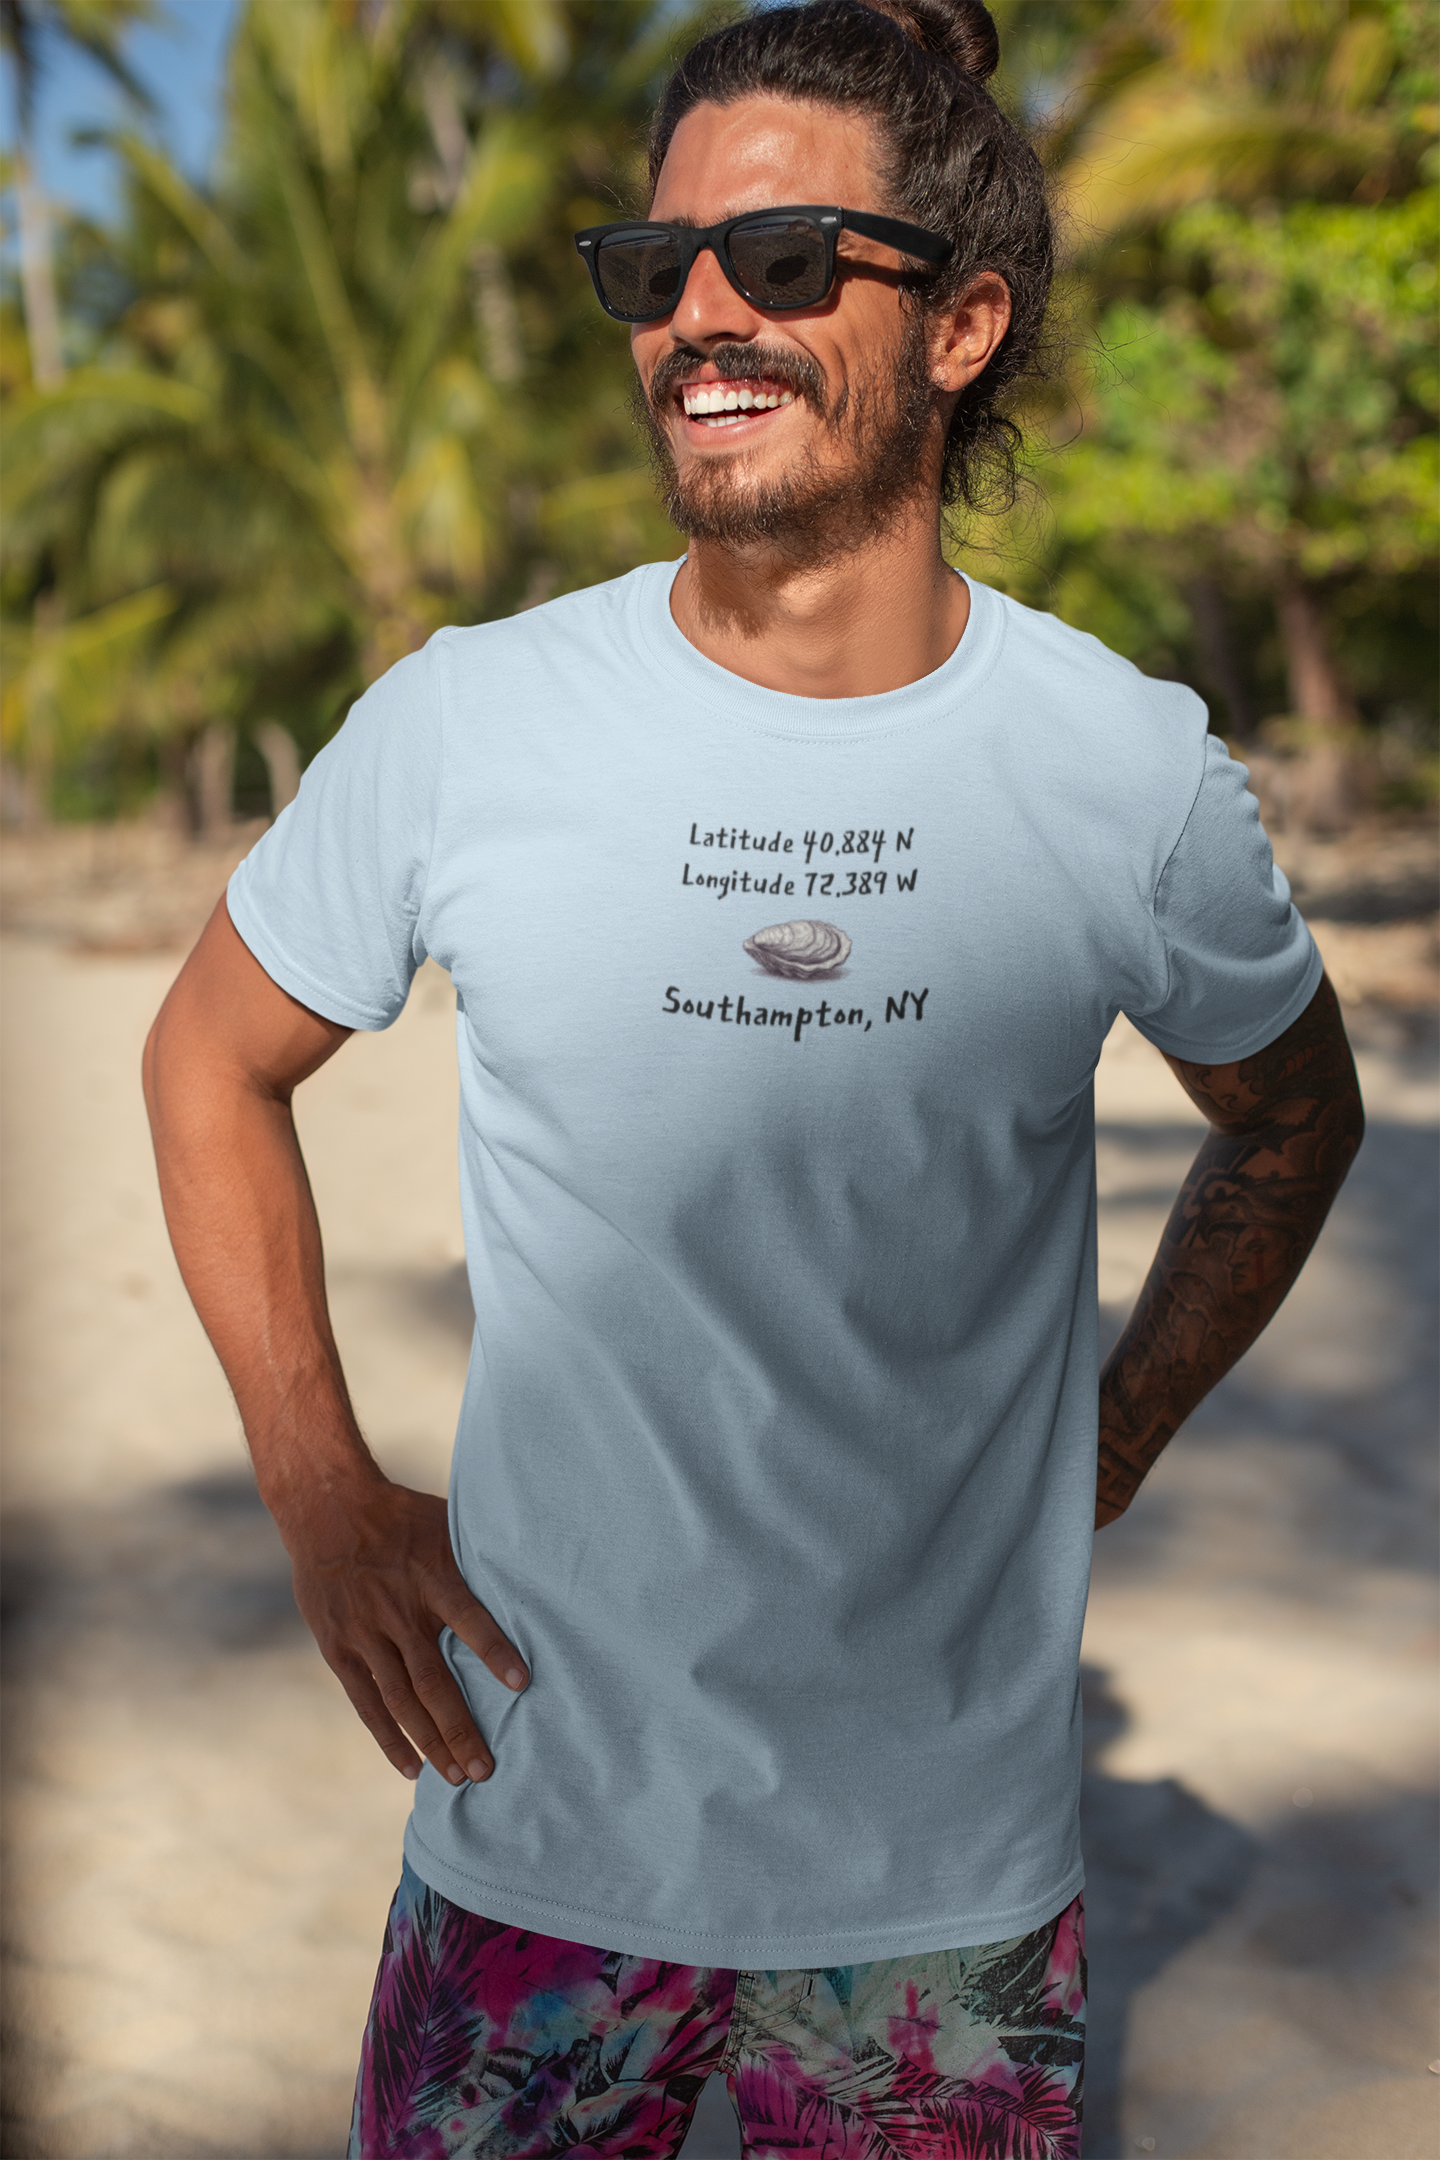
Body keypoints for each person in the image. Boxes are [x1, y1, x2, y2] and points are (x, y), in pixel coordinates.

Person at [143, 4, 1364, 2154]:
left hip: (946, 1918)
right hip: (537, 1860)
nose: (705, 315)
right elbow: (207, 1061)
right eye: (660, 266)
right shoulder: (470, 723)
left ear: (963, 318)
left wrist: (1117, 1431)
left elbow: (1295, 1111)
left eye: (791, 259)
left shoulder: (1123, 770)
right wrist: (322, 1493)